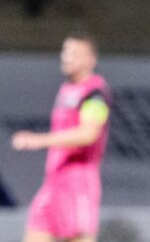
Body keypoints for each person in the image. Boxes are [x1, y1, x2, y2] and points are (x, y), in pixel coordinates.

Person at [11, 33, 112, 242]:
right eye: (65, 51)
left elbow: (88, 134)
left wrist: (39, 140)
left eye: (74, 53)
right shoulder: (67, 89)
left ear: (91, 60)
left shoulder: (95, 94)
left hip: (78, 185)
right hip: (53, 183)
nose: (66, 57)